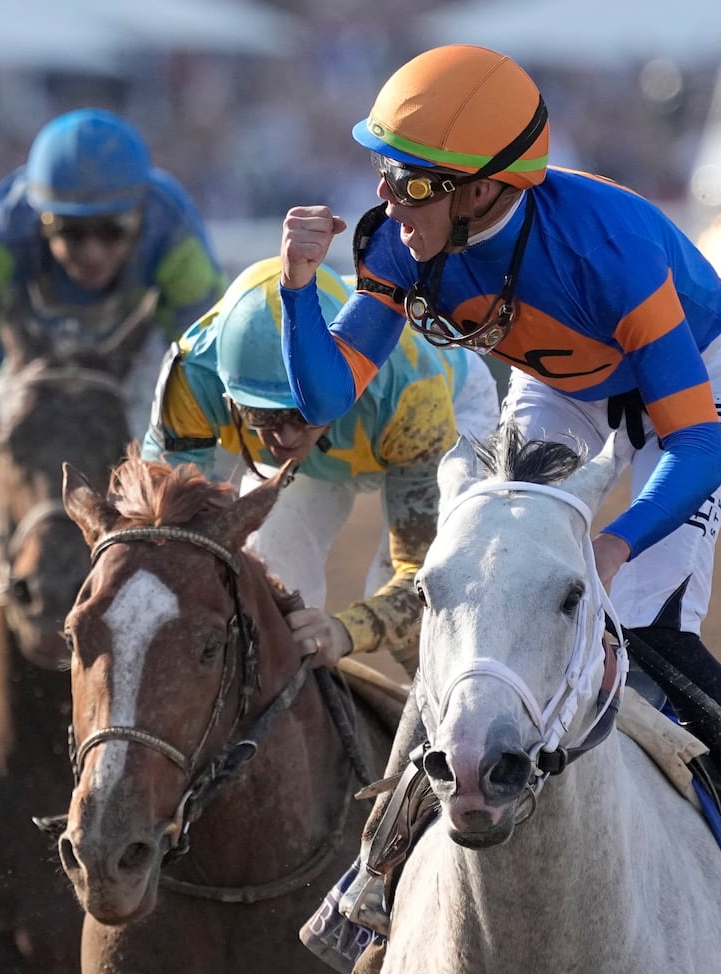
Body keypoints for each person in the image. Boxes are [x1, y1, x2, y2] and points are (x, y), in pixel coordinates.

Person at [277, 44, 721, 949]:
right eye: (385, 174)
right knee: (490, 592)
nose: (386, 201)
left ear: (483, 190)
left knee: (647, 619)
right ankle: (379, 860)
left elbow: (689, 448)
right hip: (561, 383)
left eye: (411, 182)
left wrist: (617, 543)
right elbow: (325, 394)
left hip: (689, 385)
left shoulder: (612, 251)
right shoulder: (406, 242)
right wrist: (300, 292)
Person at [0, 108, 226, 652]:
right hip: (27, 375)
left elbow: (208, 363)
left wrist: (166, 473)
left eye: (112, 232)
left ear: (139, 218)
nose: (92, 253)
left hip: (133, 373)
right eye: (69, 231)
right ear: (41, 221)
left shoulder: (176, 234)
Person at [142, 255, 498, 677]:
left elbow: (421, 576)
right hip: (347, 434)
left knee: (414, 625)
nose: (287, 439)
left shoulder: (413, 393)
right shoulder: (192, 374)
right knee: (269, 590)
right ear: (227, 392)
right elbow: (161, 536)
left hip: (448, 410)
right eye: (263, 416)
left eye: (303, 412)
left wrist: (344, 632)